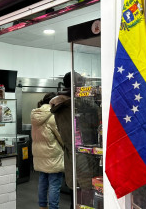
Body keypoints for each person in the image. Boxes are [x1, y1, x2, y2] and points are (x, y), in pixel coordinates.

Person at [49, 71, 85, 207]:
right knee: (81, 198)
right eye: (81, 81)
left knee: (75, 197)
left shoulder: (62, 105)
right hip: (81, 157)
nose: (83, 84)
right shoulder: (71, 105)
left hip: (71, 155)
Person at [31, 92, 64, 209]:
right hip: (52, 153)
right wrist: (66, 145)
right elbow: (61, 135)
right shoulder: (52, 115)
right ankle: (54, 207)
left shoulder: (36, 114)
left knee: (43, 181)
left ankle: (42, 206)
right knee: (55, 183)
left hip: (39, 153)